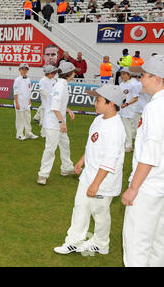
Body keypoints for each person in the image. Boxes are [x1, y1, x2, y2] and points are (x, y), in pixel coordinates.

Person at [54, 85, 126, 255]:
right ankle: (73, 241)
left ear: (111, 103)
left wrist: (96, 184)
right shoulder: (98, 119)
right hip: (88, 176)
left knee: (100, 213)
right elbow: (92, 144)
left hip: (103, 181)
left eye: (98, 100)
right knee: (80, 208)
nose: (94, 103)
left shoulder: (116, 128)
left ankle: (101, 244)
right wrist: (82, 160)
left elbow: (110, 159)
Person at [122, 55, 164, 267]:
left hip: (148, 186)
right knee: (158, 244)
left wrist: (133, 187)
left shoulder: (156, 108)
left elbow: (151, 151)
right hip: (160, 185)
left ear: (158, 79)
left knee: (137, 244)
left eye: (145, 76)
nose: (141, 80)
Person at [37, 62, 76, 186]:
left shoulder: (60, 84)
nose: (75, 73)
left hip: (57, 121)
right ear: (69, 74)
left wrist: (67, 110)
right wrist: (61, 122)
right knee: (50, 148)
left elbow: (55, 102)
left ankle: (66, 168)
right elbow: (54, 106)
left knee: (65, 144)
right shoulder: (60, 86)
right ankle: (42, 174)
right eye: (74, 71)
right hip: (54, 123)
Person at [13, 63, 38, 141]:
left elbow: (29, 90)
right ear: (19, 70)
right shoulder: (17, 80)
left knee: (28, 118)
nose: (24, 71)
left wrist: (29, 99)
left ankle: (28, 133)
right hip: (19, 102)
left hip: (26, 103)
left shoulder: (28, 79)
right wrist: (17, 103)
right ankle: (19, 134)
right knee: (20, 119)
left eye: (25, 69)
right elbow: (15, 92)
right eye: (22, 69)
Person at [119, 68, 139, 152]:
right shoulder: (121, 84)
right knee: (126, 128)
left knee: (134, 129)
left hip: (133, 108)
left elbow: (136, 98)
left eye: (124, 74)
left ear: (129, 74)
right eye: (121, 74)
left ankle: (131, 146)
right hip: (124, 109)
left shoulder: (134, 84)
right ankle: (128, 145)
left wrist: (127, 104)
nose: (122, 76)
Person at [35, 65, 58, 137]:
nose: (54, 74)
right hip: (46, 103)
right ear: (49, 73)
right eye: (53, 73)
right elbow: (41, 90)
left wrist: (56, 95)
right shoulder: (43, 80)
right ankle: (43, 133)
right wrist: (49, 98)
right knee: (46, 119)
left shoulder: (54, 80)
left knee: (51, 119)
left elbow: (55, 90)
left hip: (53, 102)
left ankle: (49, 132)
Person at [131, 72, 152, 140]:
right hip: (142, 106)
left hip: (141, 106)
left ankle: (135, 134)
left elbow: (134, 94)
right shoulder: (139, 85)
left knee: (137, 122)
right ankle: (136, 134)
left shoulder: (138, 85)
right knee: (138, 121)